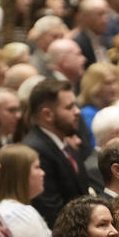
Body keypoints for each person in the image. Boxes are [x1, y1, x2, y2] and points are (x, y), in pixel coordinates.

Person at [24, 78, 91, 226]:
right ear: (47, 114)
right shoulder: (36, 150)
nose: (77, 112)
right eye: (69, 107)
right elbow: (51, 210)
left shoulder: (64, 142)